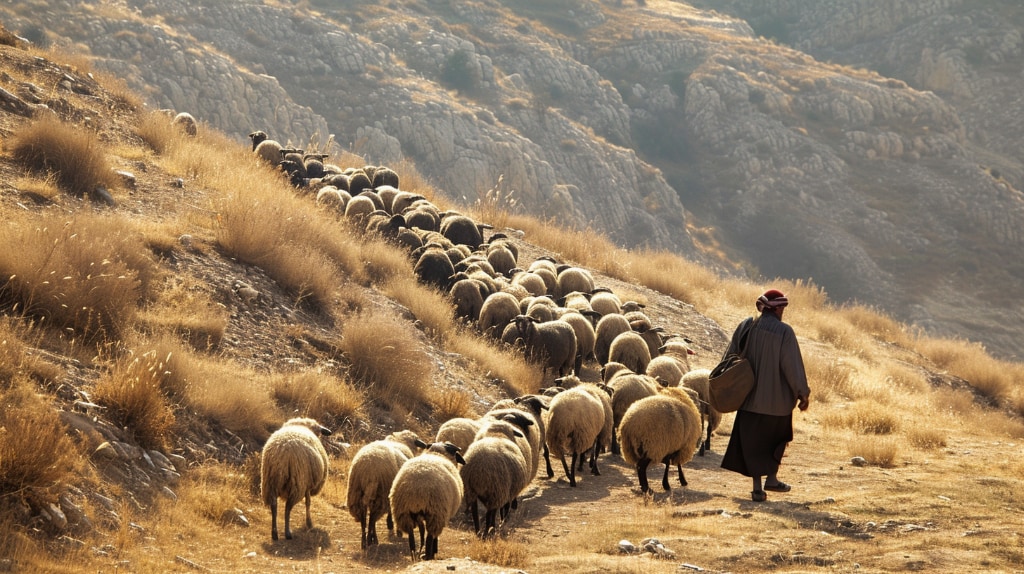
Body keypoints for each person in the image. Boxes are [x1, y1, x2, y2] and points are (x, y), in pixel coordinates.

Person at [720, 289, 810, 502]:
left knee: (754, 445)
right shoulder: (784, 332)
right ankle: (772, 478)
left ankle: (758, 488)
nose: (783, 312)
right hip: (777, 404)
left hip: (748, 400)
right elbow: (792, 367)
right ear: (777, 308)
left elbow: (729, 358)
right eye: (782, 308)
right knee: (775, 441)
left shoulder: (746, 326)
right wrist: (803, 394)